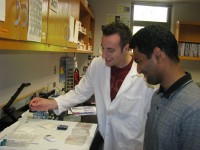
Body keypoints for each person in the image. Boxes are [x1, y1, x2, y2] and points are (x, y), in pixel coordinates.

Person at [29, 22, 155, 150]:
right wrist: (51, 103)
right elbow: (79, 93)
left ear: (126, 48)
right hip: (106, 139)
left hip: (132, 145)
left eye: (110, 50)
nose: (104, 55)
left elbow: (153, 119)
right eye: (102, 48)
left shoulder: (146, 75)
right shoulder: (97, 65)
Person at [129, 24, 200, 150]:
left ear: (158, 55)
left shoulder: (195, 109)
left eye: (139, 61)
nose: (138, 70)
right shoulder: (157, 96)